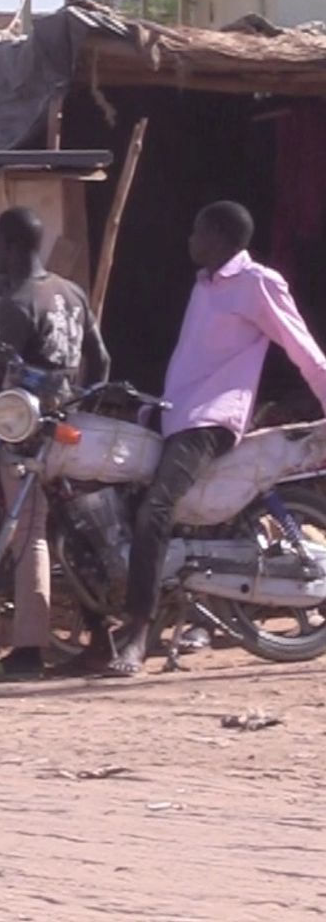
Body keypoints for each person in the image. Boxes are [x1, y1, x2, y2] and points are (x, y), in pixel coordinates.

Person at [102, 201, 326, 678]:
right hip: (175, 414)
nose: (190, 239)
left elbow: (303, 349)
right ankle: (109, 628)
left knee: (156, 510)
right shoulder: (204, 285)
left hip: (209, 420)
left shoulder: (257, 283)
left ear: (221, 237)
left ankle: (138, 631)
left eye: (198, 231)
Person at [0, 208, 110, 679]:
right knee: (71, 533)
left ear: (10, 246)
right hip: (67, 426)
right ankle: (102, 634)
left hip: (25, 433)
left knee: (30, 534)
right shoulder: (71, 292)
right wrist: (82, 406)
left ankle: (29, 650)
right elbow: (101, 359)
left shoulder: (16, 303)